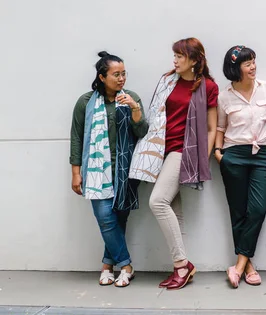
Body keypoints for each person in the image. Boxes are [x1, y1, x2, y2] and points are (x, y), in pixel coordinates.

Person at [129, 37, 218, 290]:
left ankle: (182, 264)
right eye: (175, 55)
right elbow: (156, 114)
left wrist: (203, 157)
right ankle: (180, 267)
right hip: (161, 151)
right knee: (172, 210)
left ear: (194, 60)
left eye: (180, 56)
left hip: (184, 152)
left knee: (157, 201)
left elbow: (212, 128)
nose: (175, 60)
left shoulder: (208, 87)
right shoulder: (168, 80)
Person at [70, 51, 148, 287]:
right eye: (116, 74)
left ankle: (107, 265)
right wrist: (76, 172)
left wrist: (135, 108)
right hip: (96, 172)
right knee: (105, 219)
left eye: (124, 73)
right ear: (102, 77)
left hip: (125, 171)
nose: (122, 78)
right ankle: (126, 266)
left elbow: (142, 132)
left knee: (118, 220)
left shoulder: (131, 97)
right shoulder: (86, 102)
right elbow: (76, 138)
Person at [214, 45, 266, 289]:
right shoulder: (225, 96)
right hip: (234, 154)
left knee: (257, 210)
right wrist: (219, 154)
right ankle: (248, 265)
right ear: (235, 68)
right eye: (247, 63)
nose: (253, 66)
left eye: (253, 61)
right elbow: (220, 127)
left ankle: (238, 265)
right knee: (238, 211)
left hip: (263, 155)